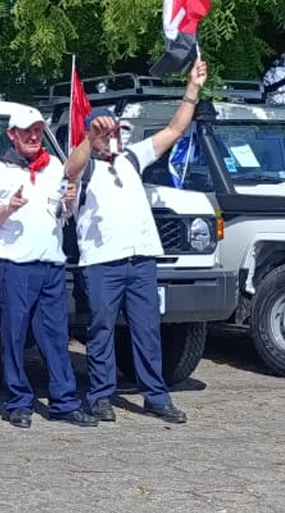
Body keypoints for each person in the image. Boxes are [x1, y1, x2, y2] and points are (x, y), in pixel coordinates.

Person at [65, 59, 208, 425]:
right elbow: (71, 169)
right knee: (100, 330)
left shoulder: (131, 158)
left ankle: (155, 396)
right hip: (102, 262)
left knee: (146, 330)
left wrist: (191, 90)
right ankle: (99, 396)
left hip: (142, 260)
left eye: (114, 131)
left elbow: (175, 130)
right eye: (104, 132)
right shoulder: (87, 165)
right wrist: (88, 139)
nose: (111, 136)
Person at [0, 107, 96, 429]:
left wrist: (70, 198)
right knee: (14, 337)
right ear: (12, 134)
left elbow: (62, 212)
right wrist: (7, 209)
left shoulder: (54, 166)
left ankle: (64, 401)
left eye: (38, 130)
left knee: (57, 337)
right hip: (15, 265)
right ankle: (18, 402)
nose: (33, 136)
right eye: (26, 131)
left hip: (50, 263)